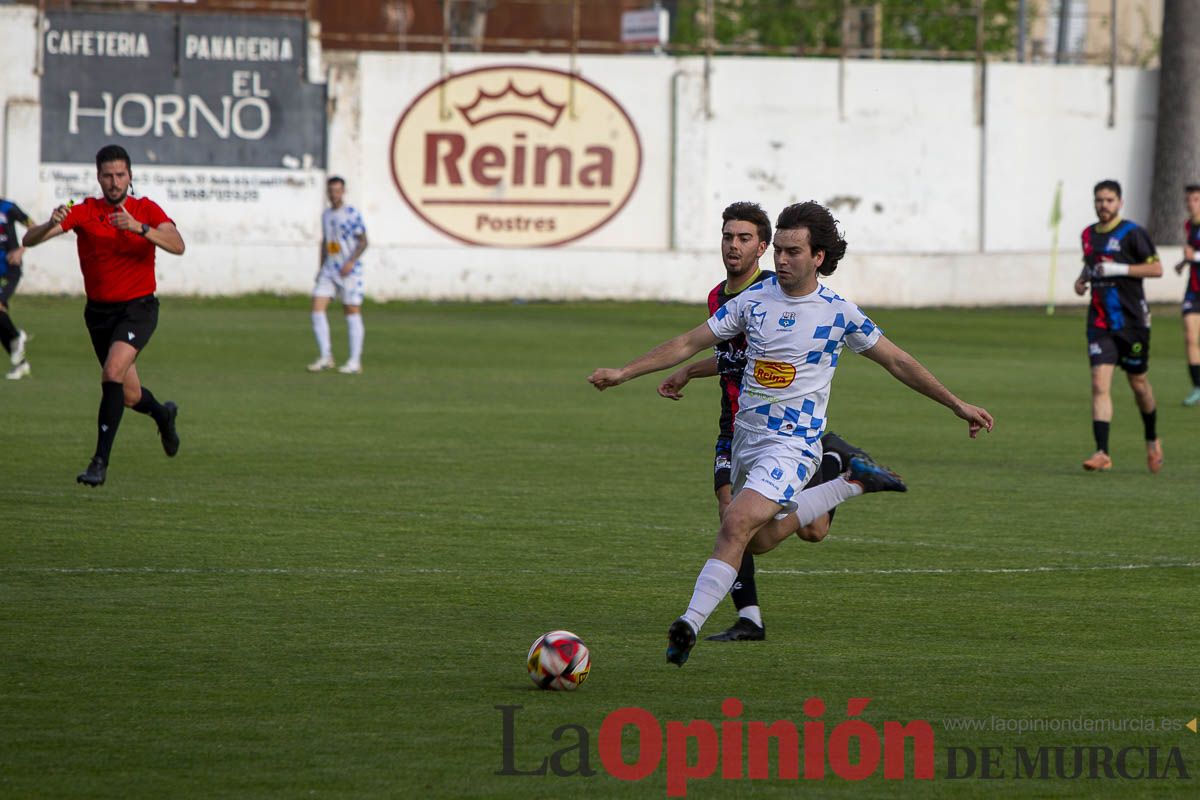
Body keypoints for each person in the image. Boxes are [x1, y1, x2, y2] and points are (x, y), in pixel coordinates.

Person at [589, 201, 993, 667]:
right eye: (778, 250)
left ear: (818, 256)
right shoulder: (753, 301)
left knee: (734, 522)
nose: (781, 260)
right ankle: (849, 481)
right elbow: (688, 342)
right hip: (745, 439)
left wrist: (957, 404)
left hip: (794, 444)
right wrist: (626, 372)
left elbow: (898, 361)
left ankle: (689, 625)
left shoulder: (839, 312)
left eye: (792, 251)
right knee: (756, 540)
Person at [656, 201, 875, 642]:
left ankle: (729, 619)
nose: (733, 247)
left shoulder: (793, 297)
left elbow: (775, 353)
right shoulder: (724, 298)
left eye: (744, 239)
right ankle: (750, 615)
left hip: (785, 432)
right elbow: (727, 353)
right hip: (735, 423)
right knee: (757, 532)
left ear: (759, 248)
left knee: (743, 520)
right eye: (727, 237)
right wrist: (684, 370)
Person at [22, 144, 184, 487]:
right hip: (99, 313)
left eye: (120, 175)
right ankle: (163, 414)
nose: (114, 182)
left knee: (112, 371)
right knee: (128, 394)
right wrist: (49, 223)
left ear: (130, 176)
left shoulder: (145, 209)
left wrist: (140, 228)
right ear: (98, 177)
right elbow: (30, 239)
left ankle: (99, 462)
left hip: (138, 308)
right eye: (108, 176)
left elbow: (177, 244)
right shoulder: (84, 211)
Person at [1073, 179, 1163, 473]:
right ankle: (1102, 452)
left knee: (1139, 385)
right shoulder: (1087, 234)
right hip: (1099, 322)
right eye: (1099, 200)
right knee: (1099, 384)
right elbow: (1090, 264)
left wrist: (1118, 269)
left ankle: (1151, 438)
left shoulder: (1132, 233)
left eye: (1109, 200)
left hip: (1133, 322)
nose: (1104, 205)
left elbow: (1156, 268)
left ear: (1120, 203)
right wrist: (1083, 278)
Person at [309, 176, 368, 374]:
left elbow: (363, 241)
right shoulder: (326, 215)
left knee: (351, 310)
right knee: (317, 307)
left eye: (337, 190)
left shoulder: (351, 214)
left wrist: (351, 261)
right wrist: (320, 267)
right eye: (331, 191)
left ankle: (354, 361)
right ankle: (326, 356)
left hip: (349, 270)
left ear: (343, 192)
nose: (334, 195)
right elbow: (325, 241)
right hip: (329, 269)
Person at [0, 197, 33, 380]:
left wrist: (21, 249)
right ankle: (21, 364)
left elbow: (33, 227)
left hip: (9, 270)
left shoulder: (8, 208)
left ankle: (17, 336)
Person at [1174, 183, 1200, 407]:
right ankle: (1197, 386)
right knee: (1190, 337)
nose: (1191, 204)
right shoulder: (1188, 225)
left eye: (1195, 199)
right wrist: (1183, 263)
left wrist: (1193, 257)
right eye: (1188, 200)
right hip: (1193, 290)